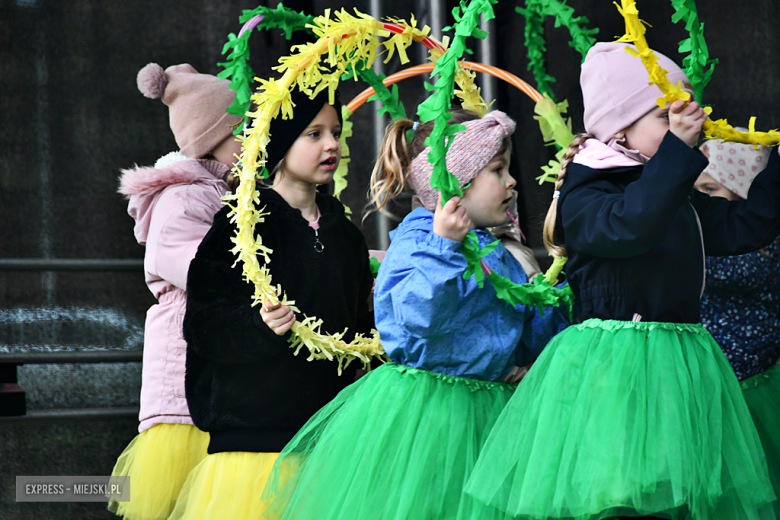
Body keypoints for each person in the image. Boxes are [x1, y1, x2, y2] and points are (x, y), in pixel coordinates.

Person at [465, 42, 780, 520]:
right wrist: (677, 153)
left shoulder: (668, 185)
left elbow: (745, 226)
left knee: (673, 497)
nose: (681, 125)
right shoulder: (590, 186)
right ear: (620, 127)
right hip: (616, 368)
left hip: (678, 362)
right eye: (663, 116)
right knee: (618, 493)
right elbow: (630, 226)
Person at [260, 110, 570, 520]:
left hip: (492, 414)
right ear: (455, 181)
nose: (512, 183)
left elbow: (523, 335)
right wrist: (443, 248)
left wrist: (565, 296)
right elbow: (414, 321)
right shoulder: (420, 240)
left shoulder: (496, 251)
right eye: (498, 170)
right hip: (429, 418)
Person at [168, 88, 374, 520]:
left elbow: (359, 326)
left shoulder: (345, 234)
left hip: (325, 437)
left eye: (335, 132)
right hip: (256, 440)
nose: (332, 144)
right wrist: (258, 325)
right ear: (280, 144)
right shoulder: (240, 225)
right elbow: (203, 325)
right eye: (313, 134)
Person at [108, 62, 242, 520]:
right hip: (182, 362)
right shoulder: (186, 196)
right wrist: (260, 273)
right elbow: (183, 262)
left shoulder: (220, 190)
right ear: (211, 138)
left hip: (205, 352)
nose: (252, 138)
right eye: (241, 128)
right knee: (181, 491)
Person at [696, 138, 780, 516]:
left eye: (710, 191)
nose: (701, 202)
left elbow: (740, 269)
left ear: (745, 193)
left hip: (751, 389)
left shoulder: (752, 249)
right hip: (715, 390)